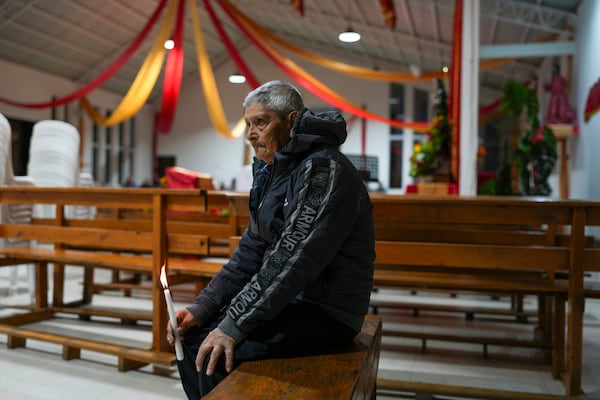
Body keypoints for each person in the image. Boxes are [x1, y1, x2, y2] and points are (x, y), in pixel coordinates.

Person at [167, 80, 375, 399]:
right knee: (193, 336)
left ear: (292, 121)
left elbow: (292, 260)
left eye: (261, 122)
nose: (251, 134)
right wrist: (202, 307)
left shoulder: (323, 169)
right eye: (249, 124)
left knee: (211, 354)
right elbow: (250, 254)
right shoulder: (274, 171)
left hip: (326, 311)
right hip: (289, 301)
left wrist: (233, 324)